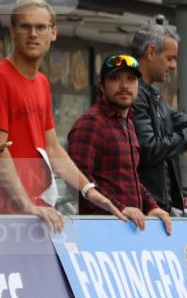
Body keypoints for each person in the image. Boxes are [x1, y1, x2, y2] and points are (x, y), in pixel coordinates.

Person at [0, 0, 126, 232]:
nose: (33, 34)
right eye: (25, 26)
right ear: (12, 31)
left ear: (53, 32)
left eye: (41, 27)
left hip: (39, 214)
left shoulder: (42, 82)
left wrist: (89, 190)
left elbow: (52, 148)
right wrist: (27, 205)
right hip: (4, 215)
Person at [66, 54, 173, 234]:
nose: (124, 85)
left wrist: (152, 206)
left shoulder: (128, 122)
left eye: (131, 79)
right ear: (102, 86)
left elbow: (129, 178)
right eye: (115, 78)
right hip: (99, 232)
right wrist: (119, 207)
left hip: (127, 231)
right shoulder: (91, 123)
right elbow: (76, 180)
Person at [130, 21, 187, 213]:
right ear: (150, 52)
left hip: (157, 205)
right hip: (147, 208)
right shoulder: (136, 94)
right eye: (170, 58)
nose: (173, 66)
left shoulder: (151, 93)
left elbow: (177, 119)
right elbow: (150, 149)